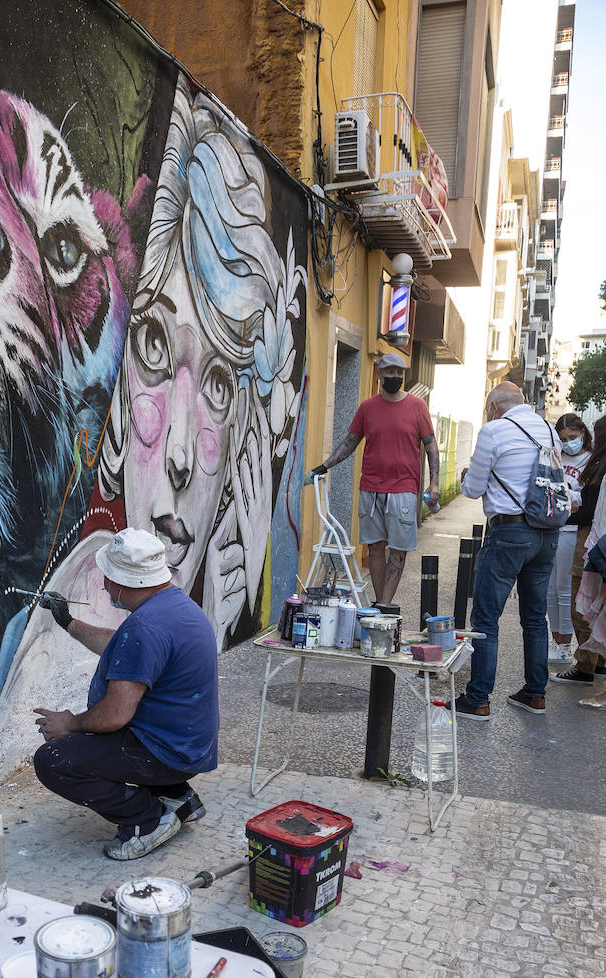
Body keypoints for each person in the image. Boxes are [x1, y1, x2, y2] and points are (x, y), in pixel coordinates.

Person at [98, 76, 304, 649]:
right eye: (156, 349)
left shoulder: (192, 611)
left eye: (217, 382)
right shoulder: (77, 609)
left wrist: (219, 608)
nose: (182, 455)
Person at [32, 528, 219, 861]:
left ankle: (147, 820)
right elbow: (120, 647)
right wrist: (68, 622)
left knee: (53, 761)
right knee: (111, 740)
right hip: (188, 747)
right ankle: (177, 797)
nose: (104, 586)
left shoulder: (145, 628)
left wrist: (70, 724)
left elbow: (114, 714)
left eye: (107, 578)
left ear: (123, 582)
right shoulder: (174, 607)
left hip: (167, 753)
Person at [454, 382, 561, 720]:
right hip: (547, 533)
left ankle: (478, 698)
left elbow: (472, 490)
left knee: (486, 619)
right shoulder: (548, 429)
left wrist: (466, 475)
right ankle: (535, 693)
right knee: (534, 616)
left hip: (509, 533)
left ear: (493, 408)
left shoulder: (494, 431)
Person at [305, 351, 440, 604]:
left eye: (400, 373)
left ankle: (384, 605)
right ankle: (381, 605)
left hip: (403, 490)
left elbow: (431, 446)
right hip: (371, 488)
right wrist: (324, 466)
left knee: (398, 551)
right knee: (375, 548)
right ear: (380, 374)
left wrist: (434, 482)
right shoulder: (367, 407)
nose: (395, 377)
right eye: (390, 372)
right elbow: (350, 443)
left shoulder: (417, 406)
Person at [551, 414, 606, 686]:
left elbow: (588, 511)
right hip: (595, 537)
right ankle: (598, 662)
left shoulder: (598, 465)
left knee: (579, 603)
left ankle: (586, 665)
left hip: (589, 537)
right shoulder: (598, 464)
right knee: (597, 603)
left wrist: (560, 516)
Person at [547, 412, 593, 668]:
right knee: (549, 592)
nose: (568, 443)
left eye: (573, 437)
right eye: (563, 438)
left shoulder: (591, 460)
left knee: (565, 592)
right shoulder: (556, 456)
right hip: (553, 526)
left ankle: (566, 646)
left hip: (574, 531)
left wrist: (572, 494)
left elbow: (589, 499)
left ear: (583, 434)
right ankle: (557, 642)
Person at [574, 450, 606, 708]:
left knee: (594, 613)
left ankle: (602, 690)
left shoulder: (601, 469)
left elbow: (597, 516)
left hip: (600, 547)